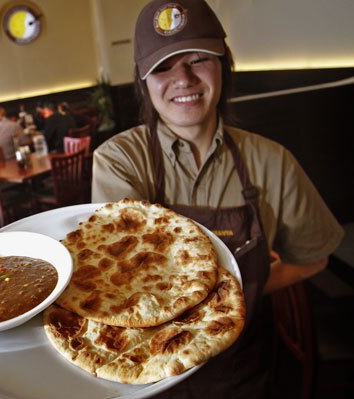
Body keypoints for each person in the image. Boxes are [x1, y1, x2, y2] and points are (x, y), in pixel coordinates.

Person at [91, 0, 344, 397]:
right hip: (147, 373)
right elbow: (124, 284)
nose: (183, 78)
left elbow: (313, 258)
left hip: (240, 371)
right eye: (163, 67)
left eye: (197, 59)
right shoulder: (119, 160)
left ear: (224, 64)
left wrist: (247, 292)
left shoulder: (272, 161)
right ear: (143, 81)